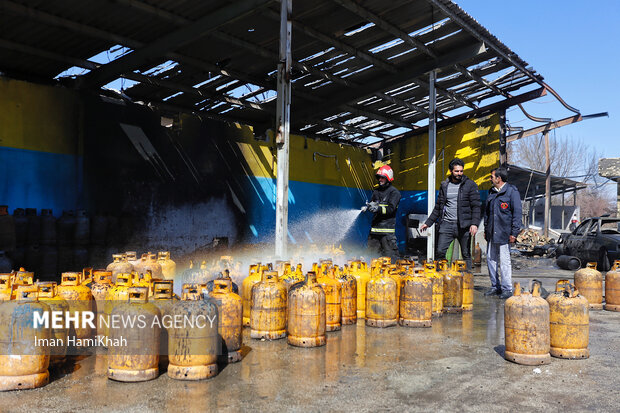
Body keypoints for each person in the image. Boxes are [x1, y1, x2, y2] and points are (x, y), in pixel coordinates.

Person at [420, 158, 481, 270]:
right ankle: (440, 276)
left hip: (463, 225)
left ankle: (467, 279)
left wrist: (474, 224)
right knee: (439, 252)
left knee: (466, 254)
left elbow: (476, 206)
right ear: (450, 171)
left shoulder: (470, 185)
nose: (459, 174)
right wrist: (428, 223)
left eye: (461, 171)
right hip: (447, 224)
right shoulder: (444, 185)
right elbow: (438, 207)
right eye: (456, 171)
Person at [483, 166, 522, 299]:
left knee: (505, 262)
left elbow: (517, 214)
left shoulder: (512, 192)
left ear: (499, 178)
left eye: (492, 177)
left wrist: (514, 233)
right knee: (490, 260)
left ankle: (507, 288)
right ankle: (495, 286)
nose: (490, 179)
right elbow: (487, 213)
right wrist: (486, 228)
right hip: (491, 233)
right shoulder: (491, 192)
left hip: (505, 234)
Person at [364, 165, 401, 260]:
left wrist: (378, 208)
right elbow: (373, 204)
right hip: (374, 233)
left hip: (387, 233)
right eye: (379, 177)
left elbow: (391, 208)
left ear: (388, 178)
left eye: (382, 178)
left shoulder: (394, 193)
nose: (380, 179)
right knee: (371, 259)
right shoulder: (376, 191)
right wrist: (368, 207)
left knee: (391, 260)